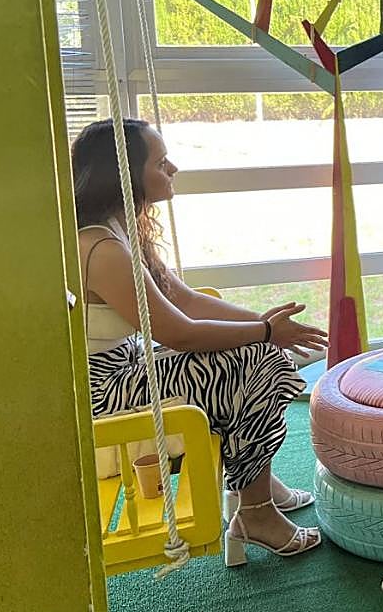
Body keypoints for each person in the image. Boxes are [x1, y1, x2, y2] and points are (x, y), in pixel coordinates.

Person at [73, 119, 327, 564]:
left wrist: (264, 323)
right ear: (125, 174)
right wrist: (267, 333)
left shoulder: (121, 229)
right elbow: (177, 332)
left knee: (257, 352)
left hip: (129, 368)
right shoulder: (103, 249)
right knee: (260, 363)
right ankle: (256, 510)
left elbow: (184, 299)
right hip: (105, 394)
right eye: (160, 161)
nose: (173, 167)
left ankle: (255, 486)